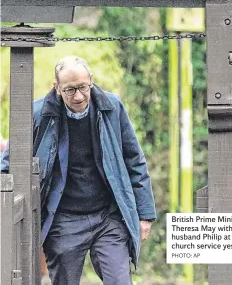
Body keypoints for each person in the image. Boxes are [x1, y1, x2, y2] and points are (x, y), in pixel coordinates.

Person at [1, 56, 156, 285]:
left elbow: (134, 160)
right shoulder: (37, 114)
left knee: (120, 281)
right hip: (63, 218)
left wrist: (145, 214)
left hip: (108, 216)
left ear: (91, 81)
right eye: (70, 90)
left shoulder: (111, 108)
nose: (79, 96)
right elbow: (8, 164)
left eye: (83, 87)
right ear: (56, 88)